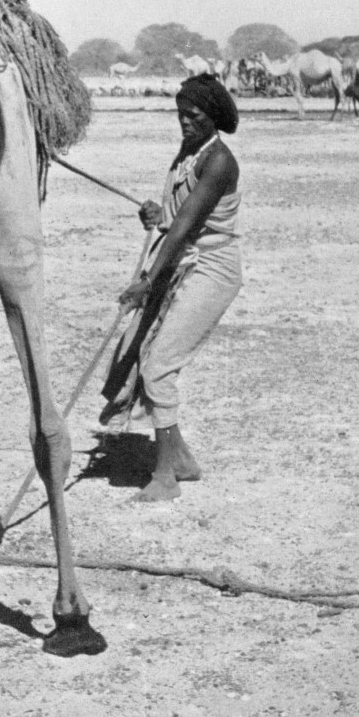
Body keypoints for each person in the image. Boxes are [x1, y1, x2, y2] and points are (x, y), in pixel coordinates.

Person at [100, 73, 242, 502]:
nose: (185, 123)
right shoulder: (189, 152)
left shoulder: (218, 161)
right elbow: (176, 216)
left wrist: (146, 282)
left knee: (158, 364)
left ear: (212, 117)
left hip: (212, 268)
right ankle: (178, 457)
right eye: (180, 115)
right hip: (181, 263)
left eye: (194, 116)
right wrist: (155, 211)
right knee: (140, 356)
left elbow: (183, 229)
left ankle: (165, 478)